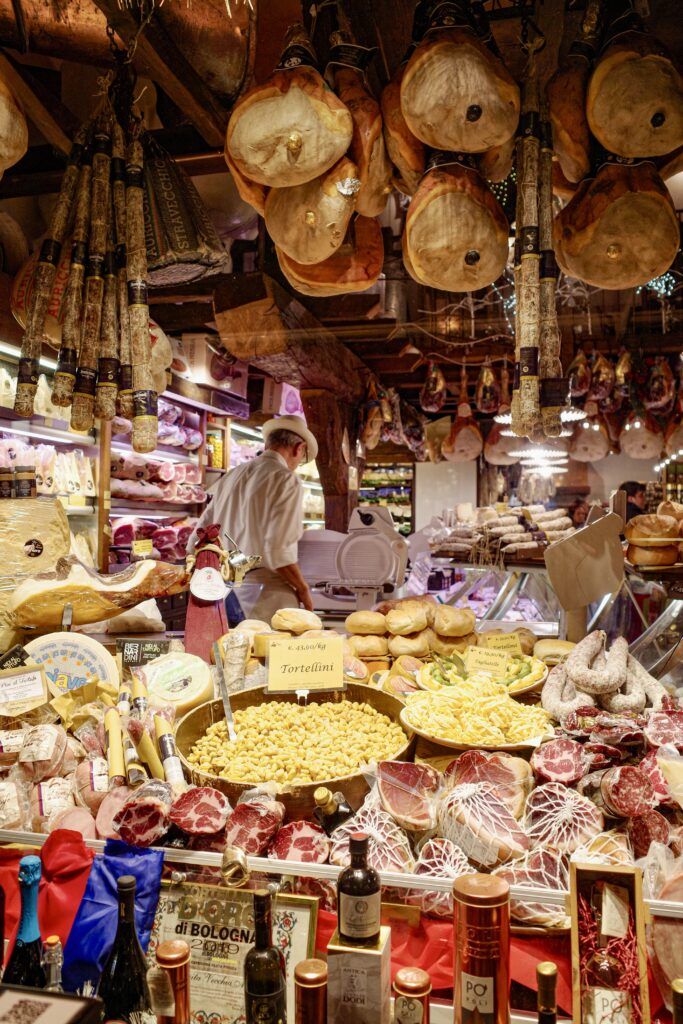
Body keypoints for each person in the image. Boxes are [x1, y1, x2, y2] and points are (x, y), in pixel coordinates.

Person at [188, 415, 318, 620]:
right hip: (268, 598)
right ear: (298, 448)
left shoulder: (232, 475)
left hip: (226, 594)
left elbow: (197, 538)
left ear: (268, 444)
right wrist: (303, 589)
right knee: (265, 651)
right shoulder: (285, 479)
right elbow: (278, 552)